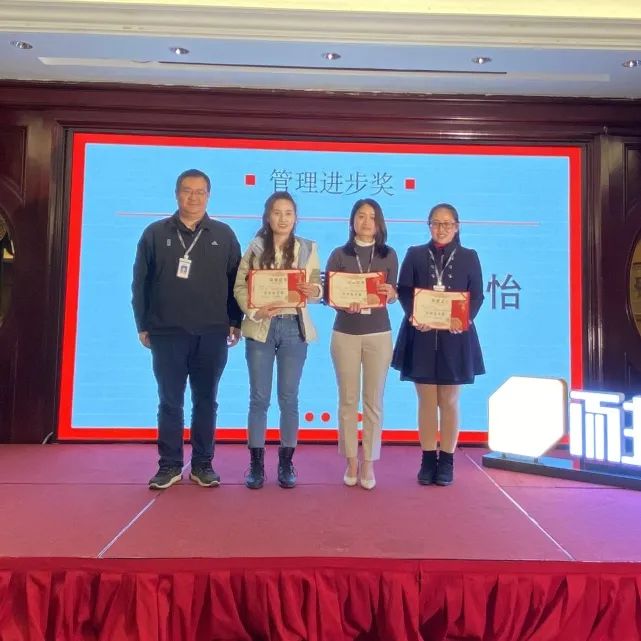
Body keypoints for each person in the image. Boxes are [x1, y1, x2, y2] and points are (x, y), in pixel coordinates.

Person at [132, 169, 242, 490]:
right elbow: (140, 283)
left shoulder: (224, 234)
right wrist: (142, 324)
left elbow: (236, 282)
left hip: (212, 332)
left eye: (200, 192)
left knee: (206, 400)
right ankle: (169, 465)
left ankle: (203, 464)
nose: (193, 197)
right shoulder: (155, 233)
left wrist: (235, 321)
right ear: (176, 193)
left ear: (209, 196)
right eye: (187, 190)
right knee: (170, 402)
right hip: (167, 332)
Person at [392, 203, 484, 486]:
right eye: (436, 223)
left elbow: (476, 295)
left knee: (450, 400)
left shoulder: (469, 256)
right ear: (429, 226)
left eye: (447, 223)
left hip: (456, 337)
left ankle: (447, 460)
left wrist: (464, 318)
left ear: (457, 226)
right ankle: (427, 459)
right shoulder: (415, 254)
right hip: (421, 335)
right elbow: (404, 290)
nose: (441, 228)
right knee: (427, 401)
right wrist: (414, 315)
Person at [234, 191, 321, 489]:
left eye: (288, 213)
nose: (282, 218)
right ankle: (256, 465)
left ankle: (286, 463)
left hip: (294, 327)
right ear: (267, 216)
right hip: (262, 327)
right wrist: (255, 311)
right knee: (259, 398)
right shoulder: (256, 247)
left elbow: (317, 287)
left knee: (289, 398)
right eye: (277, 212)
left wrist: (313, 291)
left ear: (295, 217)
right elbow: (240, 286)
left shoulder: (308, 248)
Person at [325, 199, 398, 490]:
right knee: (347, 400)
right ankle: (351, 461)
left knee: (373, 401)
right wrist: (342, 302)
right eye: (361, 216)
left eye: (372, 217)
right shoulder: (339, 254)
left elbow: (394, 292)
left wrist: (391, 293)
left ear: (379, 223)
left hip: (379, 333)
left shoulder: (389, 255)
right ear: (352, 221)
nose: (366, 222)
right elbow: (329, 295)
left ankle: (369, 462)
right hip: (345, 333)